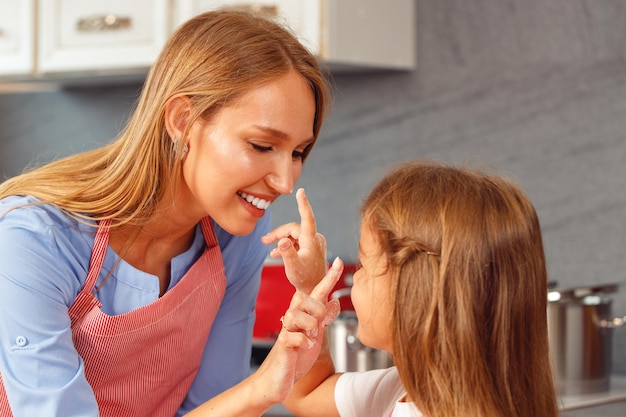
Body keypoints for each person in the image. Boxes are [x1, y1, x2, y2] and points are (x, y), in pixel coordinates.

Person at [0, 9, 332, 417]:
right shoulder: (34, 237)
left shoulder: (239, 238)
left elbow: (209, 407)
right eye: (262, 146)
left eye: (298, 152)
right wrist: (259, 389)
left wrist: (263, 387)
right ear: (182, 120)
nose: (285, 181)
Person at [276, 160, 560, 417]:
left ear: (415, 290)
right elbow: (306, 396)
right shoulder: (400, 389)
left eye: (363, 265)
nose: (354, 279)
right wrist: (310, 288)